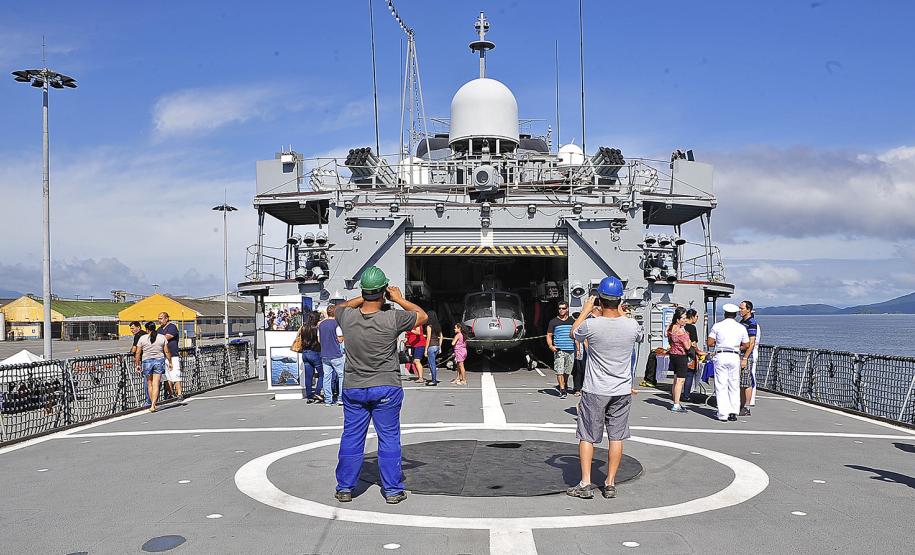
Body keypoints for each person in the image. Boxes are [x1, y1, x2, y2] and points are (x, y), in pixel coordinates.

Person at [333, 266, 427, 504]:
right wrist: (398, 298)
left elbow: (339, 307)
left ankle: (345, 487)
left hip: (354, 386)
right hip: (386, 385)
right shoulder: (392, 318)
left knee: (352, 437)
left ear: (364, 291)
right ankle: (393, 490)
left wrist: (366, 294)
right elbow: (422, 316)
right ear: (383, 291)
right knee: (389, 438)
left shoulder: (347, 317)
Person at [567, 276, 643, 499]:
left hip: (595, 389)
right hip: (621, 389)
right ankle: (610, 483)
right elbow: (636, 335)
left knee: (588, 436)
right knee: (616, 436)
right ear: (619, 300)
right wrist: (622, 312)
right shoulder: (631, 325)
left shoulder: (591, 325)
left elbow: (574, 333)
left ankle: (585, 483)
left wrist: (586, 310)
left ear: (599, 299)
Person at [707, 303, 750, 422]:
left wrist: (721, 344)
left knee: (721, 385)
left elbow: (710, 342)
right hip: (734, 355)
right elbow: (746, 344)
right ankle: (733, 412)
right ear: (735, 315)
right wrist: (735, 347)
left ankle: (722, 414)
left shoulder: (717, 326)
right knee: (734, 384)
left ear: (725, 314)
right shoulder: (741, 327)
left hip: (721, 355)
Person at [135, 321, 171, 413]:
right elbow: (166, 351)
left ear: (147, 329)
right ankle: (153, 404)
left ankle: (152, 404)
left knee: (149, 383)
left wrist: (137, 364)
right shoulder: (162, 337)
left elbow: (138, 352)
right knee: (156, 384)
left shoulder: (142, 338)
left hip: (146, 361)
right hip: (159, 361)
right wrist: (170, 362)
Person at [547, 301, 576, 399]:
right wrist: (551, 346)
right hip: (559, 349)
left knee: (567, 370)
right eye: (559, 308)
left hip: (570, 349)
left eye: (563, 308)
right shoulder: (553, 321)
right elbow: (549, 335)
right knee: (559, 370)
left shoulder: (572, 321)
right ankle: (562, 390)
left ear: (567, 309)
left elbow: (576, 334)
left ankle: (564, 383)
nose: (561, 310)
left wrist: (578, 347)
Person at [318, 305, 345, 405]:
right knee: (341, 376)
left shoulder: (321, 324)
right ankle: (340, 398)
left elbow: (319, 340)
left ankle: (328, 400)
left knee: (327, 377)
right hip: (336, 354)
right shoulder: (337, 324)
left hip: (324, 354)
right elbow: (340, 339)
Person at [667, 307, 691, 413]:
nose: (685, 320)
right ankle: (676, 404)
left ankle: (675, 401)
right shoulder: (681, 331)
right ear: (678, 319)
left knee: (676, 378)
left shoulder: (671, 328)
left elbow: (665, 334)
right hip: (681, 356)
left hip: (673, 354)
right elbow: (687, 346)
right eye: (683, 318)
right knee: (680, 380)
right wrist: (688, 338)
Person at [738, 300, 759, 416]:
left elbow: (751, 343)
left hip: (745, 355)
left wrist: (745, 358)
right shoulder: (742, 322)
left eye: (742, 308)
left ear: (748, 310)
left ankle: (746, 407)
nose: (740, 310)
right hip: (740, 353)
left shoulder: (752, 323)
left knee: (746, 382)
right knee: (741, 382)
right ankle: (741, 405)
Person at [298, 311, 323, 403]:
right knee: (322, 374)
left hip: (305, 352)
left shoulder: (303, 328)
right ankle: (317, 392)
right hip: (315, 352)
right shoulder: (316, 328)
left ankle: (309, 396)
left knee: (308, 376)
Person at [157, 312, 183, 401]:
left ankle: (179, 394)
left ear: (166, 318)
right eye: (159, 319)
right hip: (163, 356)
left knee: (176, 374)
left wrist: (158, 338)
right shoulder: (159, 329)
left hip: (173, 355)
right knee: (167, 376)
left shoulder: (172, 327)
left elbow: (166, 337)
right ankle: (171, 394)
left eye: (161, 318)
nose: (159, 320)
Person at [682, 309, 702, 402]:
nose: (697, 318)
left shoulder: (681, 326)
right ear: (692, 317)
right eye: (697, 316)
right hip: (689, 354)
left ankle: (677, 394)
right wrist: (699, 351)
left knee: (678, 376)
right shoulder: (692, 328)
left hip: (679, 353)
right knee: (689, 374)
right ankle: (686, 395)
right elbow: (693, 343)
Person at [129, 321, 150, 406]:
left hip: (145, 359)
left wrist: (130, 353)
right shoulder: (146, 334)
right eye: (130, 328)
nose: (131, 330)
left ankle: (149, 400)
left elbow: (135, 349)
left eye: (133, 328)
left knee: (147, 380)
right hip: (151, 357)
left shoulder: (138, 336)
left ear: (138, 327)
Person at [424, 311, 443, 386]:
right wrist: (440, 346)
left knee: (432, 364)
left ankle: (434, 380)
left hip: (431, 346)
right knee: (432, 363)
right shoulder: (438, 326)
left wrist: (425, 349)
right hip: (437, 346)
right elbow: (441, 336)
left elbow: (428, 338)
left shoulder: (429, 326)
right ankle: (434, 379)